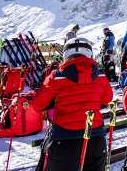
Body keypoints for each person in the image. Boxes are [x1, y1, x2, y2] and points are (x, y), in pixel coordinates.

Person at [32, 37, 113, 171]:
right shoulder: (100, 76)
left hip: (64, 139)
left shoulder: (56, 76)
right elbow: (107, 98)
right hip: (95, 136)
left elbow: (37, 105)